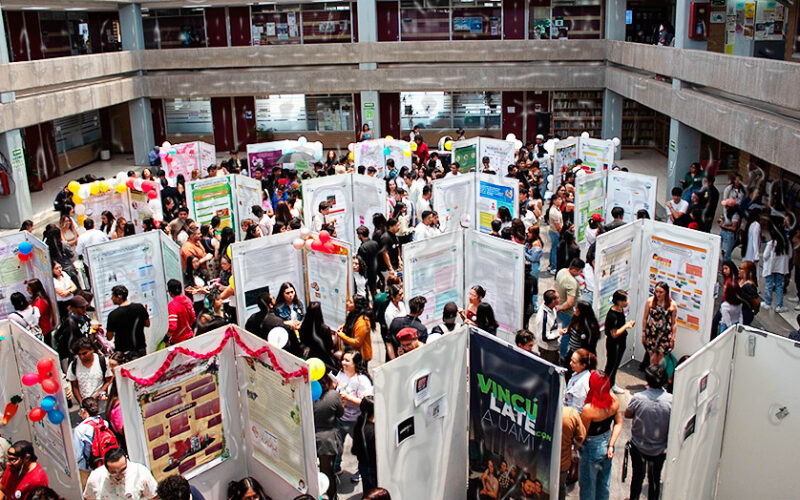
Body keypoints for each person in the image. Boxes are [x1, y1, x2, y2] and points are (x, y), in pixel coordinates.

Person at [625, 365, 672, 500]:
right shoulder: (671, 400)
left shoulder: (638, 398)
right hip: (659, 449)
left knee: (637, 477)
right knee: (654, 479)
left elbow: (628, 414)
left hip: (638, 446)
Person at [579, 372, 623, 500]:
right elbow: (619, 423)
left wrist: (574, 449)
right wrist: (610, 445)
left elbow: (583, 434)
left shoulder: (589, 409)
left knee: (588, 487)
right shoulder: (614, 400)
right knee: (603, 484)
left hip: (591, 447)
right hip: (608, 442)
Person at [334, 351, 374, 481]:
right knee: (337, 445)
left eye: (347, 361)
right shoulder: (341, 373)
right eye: (343, 360)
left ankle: (360, 471)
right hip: (340, 418)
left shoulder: (362, 381)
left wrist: (348, 398)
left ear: (355, 363)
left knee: (359, 448)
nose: (343, 363)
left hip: (356, 421)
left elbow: (367, 402)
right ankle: (335, 467)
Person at [83, 448, 158, 500]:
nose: (119, 475)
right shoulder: (95, 478)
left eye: (123, 470)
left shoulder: (141, 472)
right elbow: (88, 497)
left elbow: (153, 496)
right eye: (114, 472)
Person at [314, 373, 343, 500]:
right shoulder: (333, 396)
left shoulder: (306, 396)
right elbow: (340, 413)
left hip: (311, 437)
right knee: (328, 471)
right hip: (328, 440)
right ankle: (333, 496)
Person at [72, 397, 116, 472]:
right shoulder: (104, 423)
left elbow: (78, 456)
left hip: (93, 468)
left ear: (83, 411)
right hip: (108, 463)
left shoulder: (80, 430)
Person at [604, 290, 635, 394]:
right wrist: (626, 326)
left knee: (616, 364)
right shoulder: (612, 315)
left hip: (621, 341)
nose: (627, 302)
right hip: (614, 343)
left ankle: (612, 384)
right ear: (619, 301)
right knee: (611, 365)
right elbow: (614, 334)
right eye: (625, 300)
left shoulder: (620, 310)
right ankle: (606, 387)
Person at [105, 285, 150, 356]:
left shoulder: (113, 315)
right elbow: (147, 324)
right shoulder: (140, 307)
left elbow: (109, 337)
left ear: (119, 297)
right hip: (140, 348)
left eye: (113, 296)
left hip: (123, 353)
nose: (111, 298)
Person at [67, 337, 113, 405]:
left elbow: (109, 380)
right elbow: (75, 386)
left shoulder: (103, 361)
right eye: (79, 354)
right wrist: (82, 403)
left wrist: (97, 395)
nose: (82, 357)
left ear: (92, 350)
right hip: (85, 407)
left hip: (102, 404)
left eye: (84, 353)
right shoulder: (74, 365)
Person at [642, 281, 677, 367]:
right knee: (652, 357)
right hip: (652, 332)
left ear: (666, 293)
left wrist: (673, 338)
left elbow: (674, 323)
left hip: (664, 334)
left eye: (661, 292)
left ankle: (658, 376)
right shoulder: (650, 301)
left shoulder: (672, 304)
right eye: (656, 291)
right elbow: (645, 318)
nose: (658, 294)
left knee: (661, 357)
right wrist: (643, 333)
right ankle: (652, 375)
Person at [555, 258, 584, 357]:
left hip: (560, 308)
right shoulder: (571, 282)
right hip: (567, 312)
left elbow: (555, 286)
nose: (581, 273)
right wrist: (559, 307)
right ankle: (563, 355)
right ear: (574, 270)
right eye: (580, 271)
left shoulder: (561, 271)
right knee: (567, 333)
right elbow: (570, 302)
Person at [298, 302, 336, 369]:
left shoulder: (304, 326)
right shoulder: (325, 329)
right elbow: (330, 348)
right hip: (324, 358)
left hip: (310, 357)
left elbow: (302, 339)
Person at [337, 295, 373, 364]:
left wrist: (341, 335)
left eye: (350, 302)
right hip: (353, 354)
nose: (347, 303)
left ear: (357, 305)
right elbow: (351, 324)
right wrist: (343, 326)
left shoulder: (362, 322)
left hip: (360, 358)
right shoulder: (353, 315)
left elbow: (357, 342)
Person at [762, 222, 790, 312]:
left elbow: (765, 255)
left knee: (769, 285)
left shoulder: (771, 243)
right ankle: (779, 305)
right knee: (779, 286)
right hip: (780, 269)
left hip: (770, 268)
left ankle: (767, 303)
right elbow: (789, 256)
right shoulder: (785, 244)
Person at [560, 406, 586, 500]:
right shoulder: (570, 414)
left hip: (538, 462)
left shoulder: (534, 409)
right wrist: (574, 450)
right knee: (560, 488)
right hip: (562, 463)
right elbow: (581, 436)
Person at [352, 396, 377, 493]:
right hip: (372, 467)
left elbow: (355, 449)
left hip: (363, 465)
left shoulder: (359, 423)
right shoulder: (373, 430)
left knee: (368, 490)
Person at [533, 289, 561, 365]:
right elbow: (545, 337)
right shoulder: (544, 317)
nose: (560, 299)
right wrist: (558, 333)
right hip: (547, 350)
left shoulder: (551, 307)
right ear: (553, 301)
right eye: (558, 298)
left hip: (553, 346)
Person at [167, 279, 195, 345]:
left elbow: (172, 326)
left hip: (178, 340)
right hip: (190, 336)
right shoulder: (187, 300)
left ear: (170, 293)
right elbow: (193, 318)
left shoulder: (172, 304)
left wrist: (166, 337)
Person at [547, 194, 564, 274]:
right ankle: (553, 266)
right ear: (554, 201)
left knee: (553, 248)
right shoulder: (554, 212)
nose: (560, 201)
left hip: (553, 231)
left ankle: (551, 265)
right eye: (559, 199)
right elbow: (558, 227)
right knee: (555, 250)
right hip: (555, 232)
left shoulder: (557, 209)